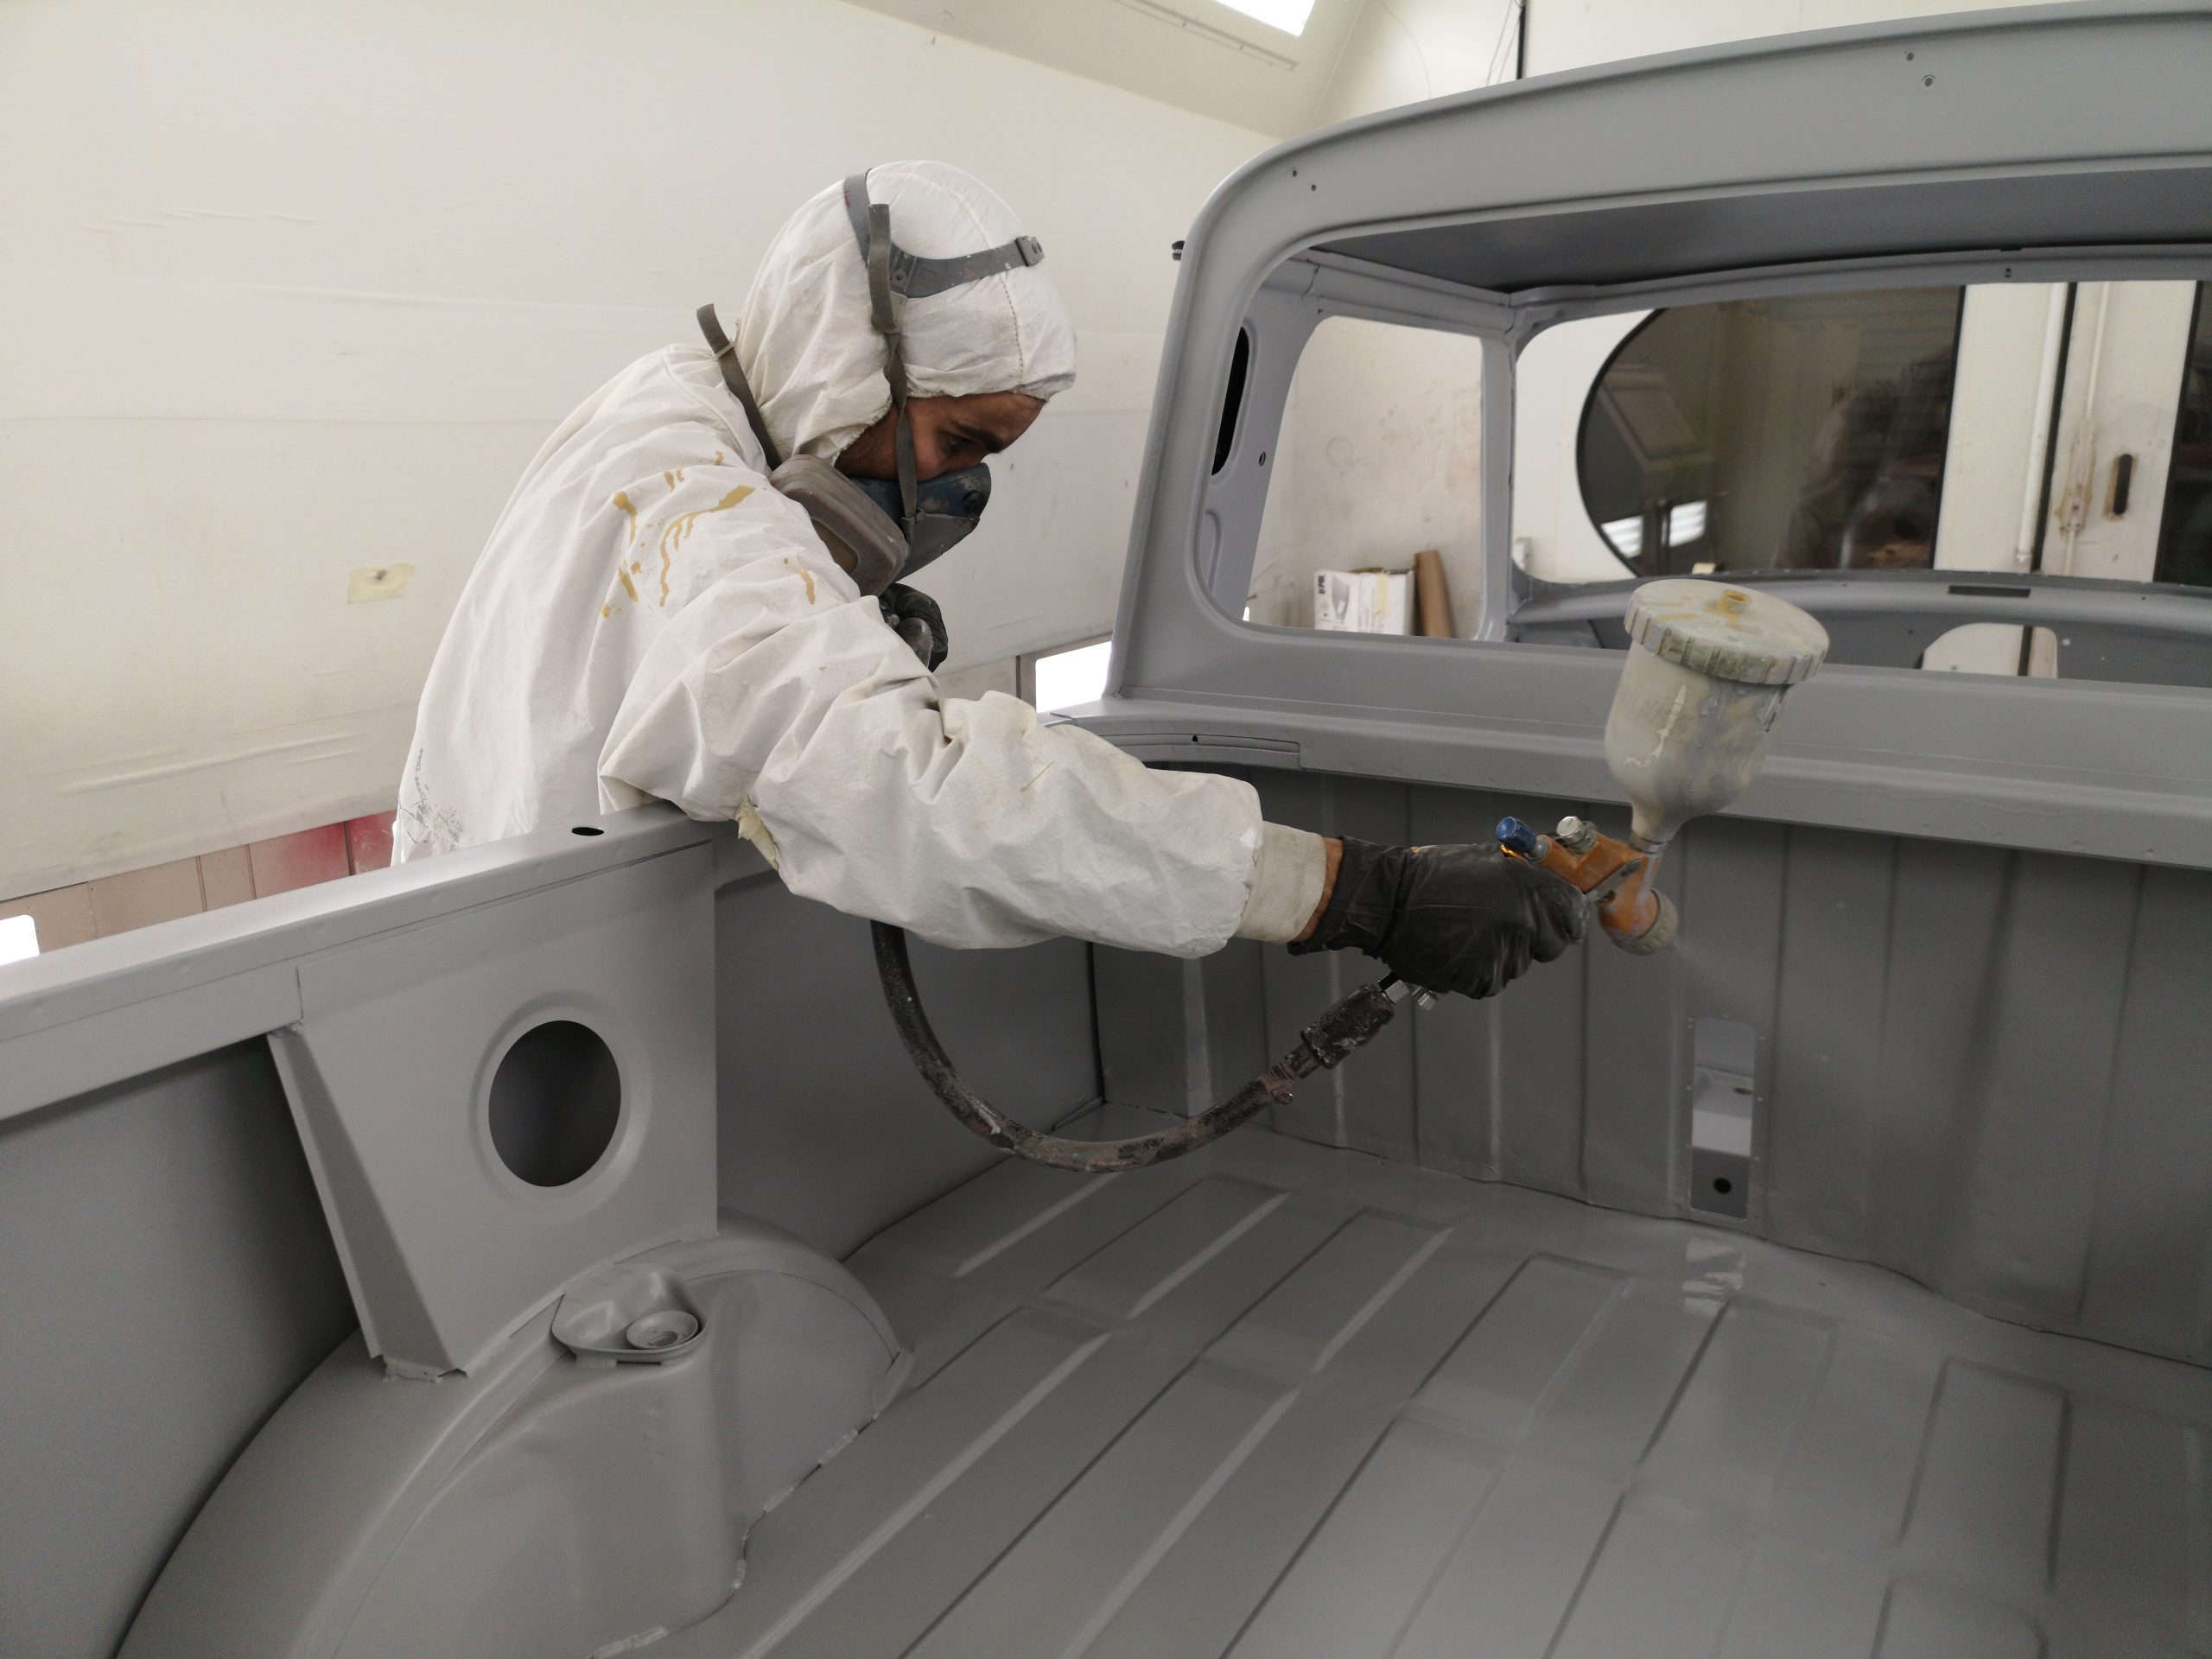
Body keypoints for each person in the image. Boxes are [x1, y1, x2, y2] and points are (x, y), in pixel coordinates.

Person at [395, 162, 1581, 998]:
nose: (960, 489)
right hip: (506, 990)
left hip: (518, 957)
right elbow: (910, 786)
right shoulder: (697, 523)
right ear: (843, 370)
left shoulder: (673, 403)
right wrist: (1353, 891)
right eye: (958, 442)